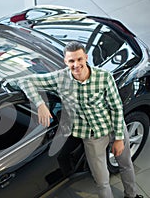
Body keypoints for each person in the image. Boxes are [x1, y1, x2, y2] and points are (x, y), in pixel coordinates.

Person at [13, 41, 143, 198]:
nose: (76, 65)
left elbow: (116, 108)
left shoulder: (103, 77)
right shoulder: (60, 79)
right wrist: (40, 104)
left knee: (126, 165)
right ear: (65, 62)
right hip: (92, 138)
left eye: (79, 59)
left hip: (115, 129)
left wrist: (119, 139)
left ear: (86, 58)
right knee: (101, 181)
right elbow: (23, 81)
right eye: (71, 61)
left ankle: (132, 195)